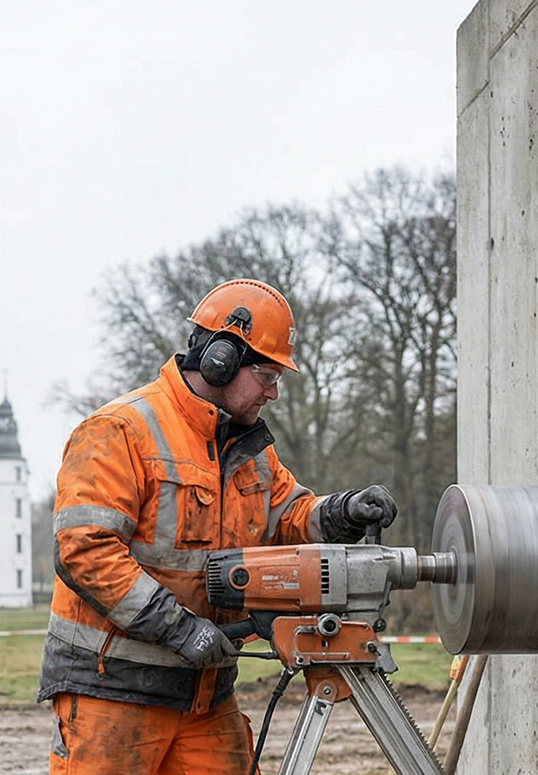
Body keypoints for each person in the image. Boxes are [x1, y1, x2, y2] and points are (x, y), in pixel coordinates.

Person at [38, 278, 397, 774]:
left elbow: (289, 517)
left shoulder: (248, 449)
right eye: (267, 374)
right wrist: (177, 627)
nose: (273, 392)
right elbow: (85, 550)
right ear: (220, 359)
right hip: (112, 692)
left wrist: (342, 512)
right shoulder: (120, 430)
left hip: (205, 692)